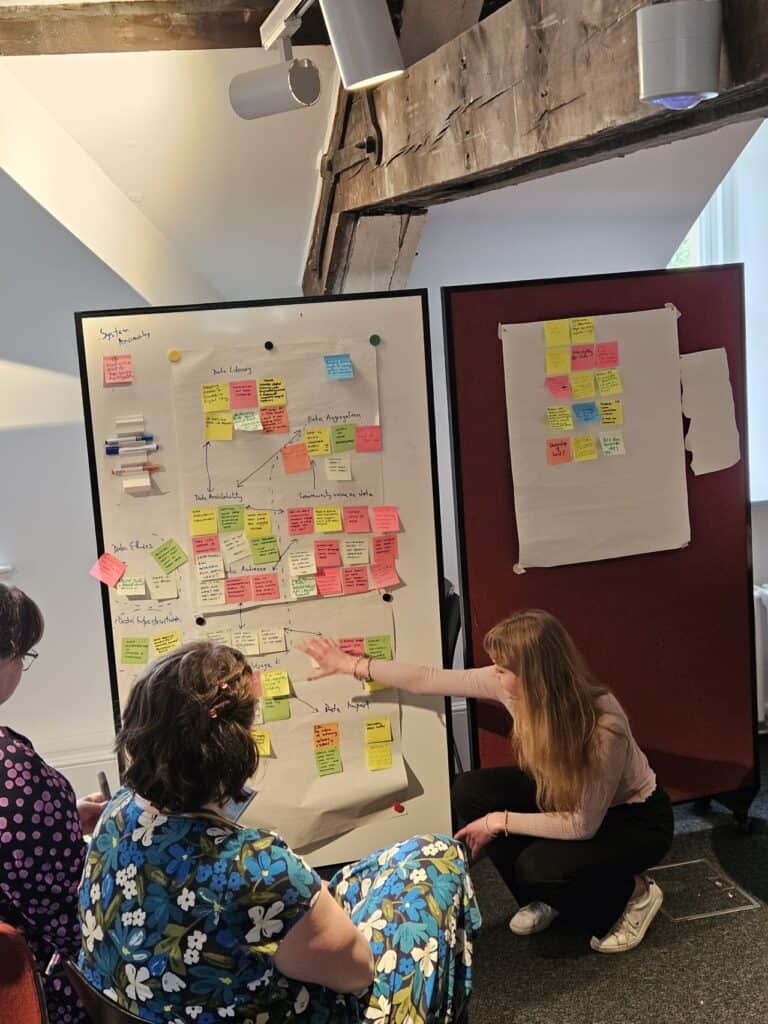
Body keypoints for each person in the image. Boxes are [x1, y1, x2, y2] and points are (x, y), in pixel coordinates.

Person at [78, 641, 480, 1023]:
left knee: (396, 862)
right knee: (439, 859)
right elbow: (358, 973)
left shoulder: (117, 811)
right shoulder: (255, 867)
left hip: (155, 1005)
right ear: (233, 745)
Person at [301, 609, 674, 954]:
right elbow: (427, 679)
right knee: (471, 790)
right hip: (564, 794)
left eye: (503, 667)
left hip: (632, 819)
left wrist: (500, 820)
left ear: (537, 673)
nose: (494, 673)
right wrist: (349, 664)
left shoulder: (602, 724)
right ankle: (550, 898)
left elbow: (582, 824)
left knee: (539, 866)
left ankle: (635, 894)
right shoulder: (509, 685)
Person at [0, 583, 108, 1023]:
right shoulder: (15, 775)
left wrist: (63, 819)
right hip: (37, 992)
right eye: (22, 655)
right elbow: (72, 909)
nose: (22, 668)